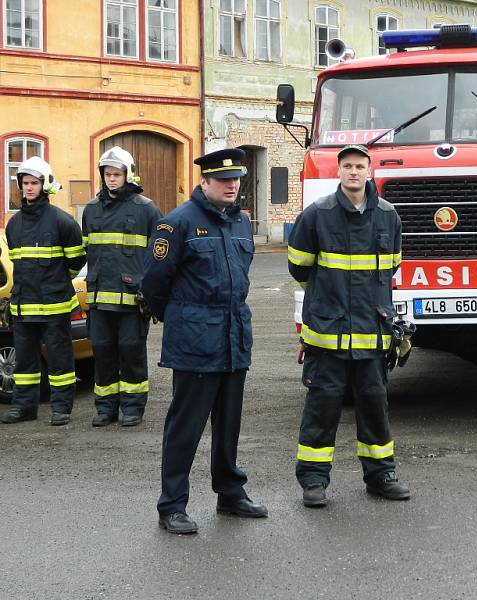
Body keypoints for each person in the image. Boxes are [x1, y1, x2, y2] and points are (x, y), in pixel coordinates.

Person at [141, 148, 266, 535]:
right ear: (204, 182)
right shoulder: (176, 224)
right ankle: (172, 505)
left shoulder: (242, 222)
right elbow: (154, 284)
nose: (232, 186)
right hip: (195, 339)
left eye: (236, 180)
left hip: (233, 335)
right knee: (186, 426)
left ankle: (229, 492)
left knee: (229, 424)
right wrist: (182, 318)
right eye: (223, 180)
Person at [288, 144, 410, 507]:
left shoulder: (388, 216)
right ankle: (313, 481)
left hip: (372, 333)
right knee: (322, 408)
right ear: (338, 171)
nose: (353, 172)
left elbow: (390, 269)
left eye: (359, 165)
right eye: (347, 166)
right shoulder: (316, 215)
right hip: (328, 336)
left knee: (375, 405)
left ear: (369, 171)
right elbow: (299, 268)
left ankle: (381, 475)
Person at [0, 157, 86, 426]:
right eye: (25, 183)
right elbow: (18, 264)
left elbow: (76, 263)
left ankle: (61, 409)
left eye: (34, 183)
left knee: (60, 362)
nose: (28, 188)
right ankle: (24, 407)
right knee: (25, 364)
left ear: (45, 185)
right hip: (24, 307)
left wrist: (58, 283)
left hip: (55, 307)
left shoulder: (63, 222)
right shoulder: (14, 225)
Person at [83, 146, 162, 427]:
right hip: (100, 301)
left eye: (117, 174)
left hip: (132, 301)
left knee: (131, 353)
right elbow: (86, 254)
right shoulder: (91, 210)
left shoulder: (146, 209)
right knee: (103, 353)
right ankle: (105, 408)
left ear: (128, 175)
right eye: (107, 174)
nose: (112, 179)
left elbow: (159, 256)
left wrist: (151, 294)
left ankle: (132, 408)